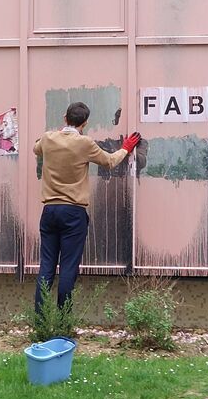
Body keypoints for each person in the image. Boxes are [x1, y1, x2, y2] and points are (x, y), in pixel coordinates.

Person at [32, 101, 140, 313]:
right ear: (85, 123)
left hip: (50, 211)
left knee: (46, 267)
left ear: (65, 118)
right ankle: (63, 323)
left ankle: (41, 322)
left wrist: (52, 138)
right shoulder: (85, 143)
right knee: (68, 268)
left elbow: (37, 148)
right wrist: (126, 148)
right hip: (73, 212)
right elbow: (109, 161)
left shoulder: (47, 138)